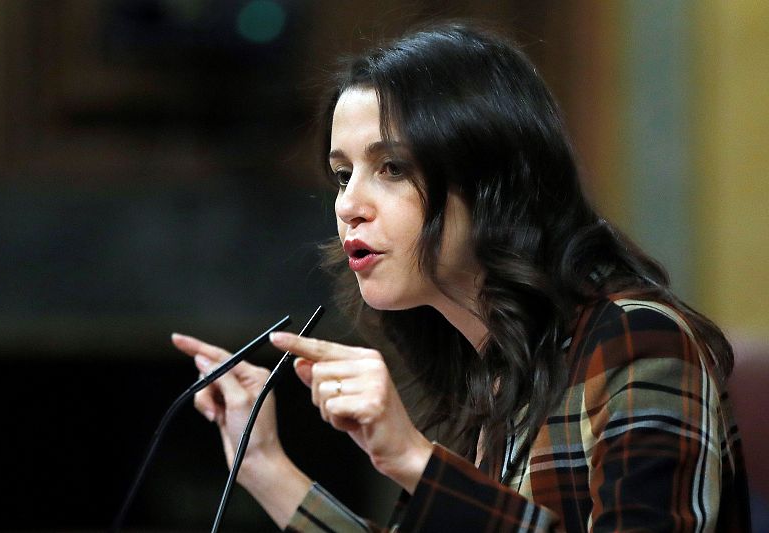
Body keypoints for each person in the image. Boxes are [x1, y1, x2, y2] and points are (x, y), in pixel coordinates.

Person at [171, 22, 750, 532]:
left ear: (492, 183)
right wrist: (265, 469)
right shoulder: (484, 376)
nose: (348, 205)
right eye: (343, 174)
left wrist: (412, 459)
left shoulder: (637, 343)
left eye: (391, 167)